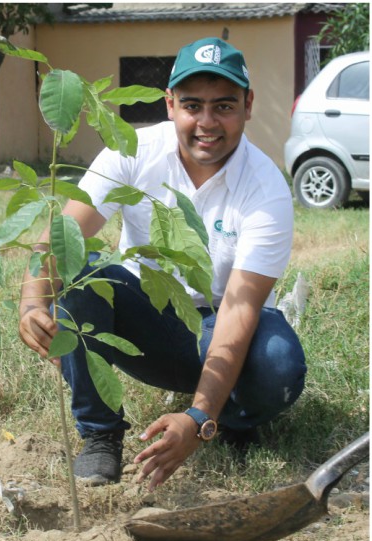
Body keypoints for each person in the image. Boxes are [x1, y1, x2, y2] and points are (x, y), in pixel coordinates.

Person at [18, 37, 307, 490]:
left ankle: (232, 416)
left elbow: (239, 308)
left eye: (224, 106)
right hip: (147, 318)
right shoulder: (132, 150)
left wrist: (199, 417)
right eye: (193, 105)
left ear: (248, 106)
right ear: (170, 104)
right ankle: (99, 435)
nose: (207, 123)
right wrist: (31, 303)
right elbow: (64, 237)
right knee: (80, 277)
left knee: (277, 364)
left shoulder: (266, 189)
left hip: (223, 326)